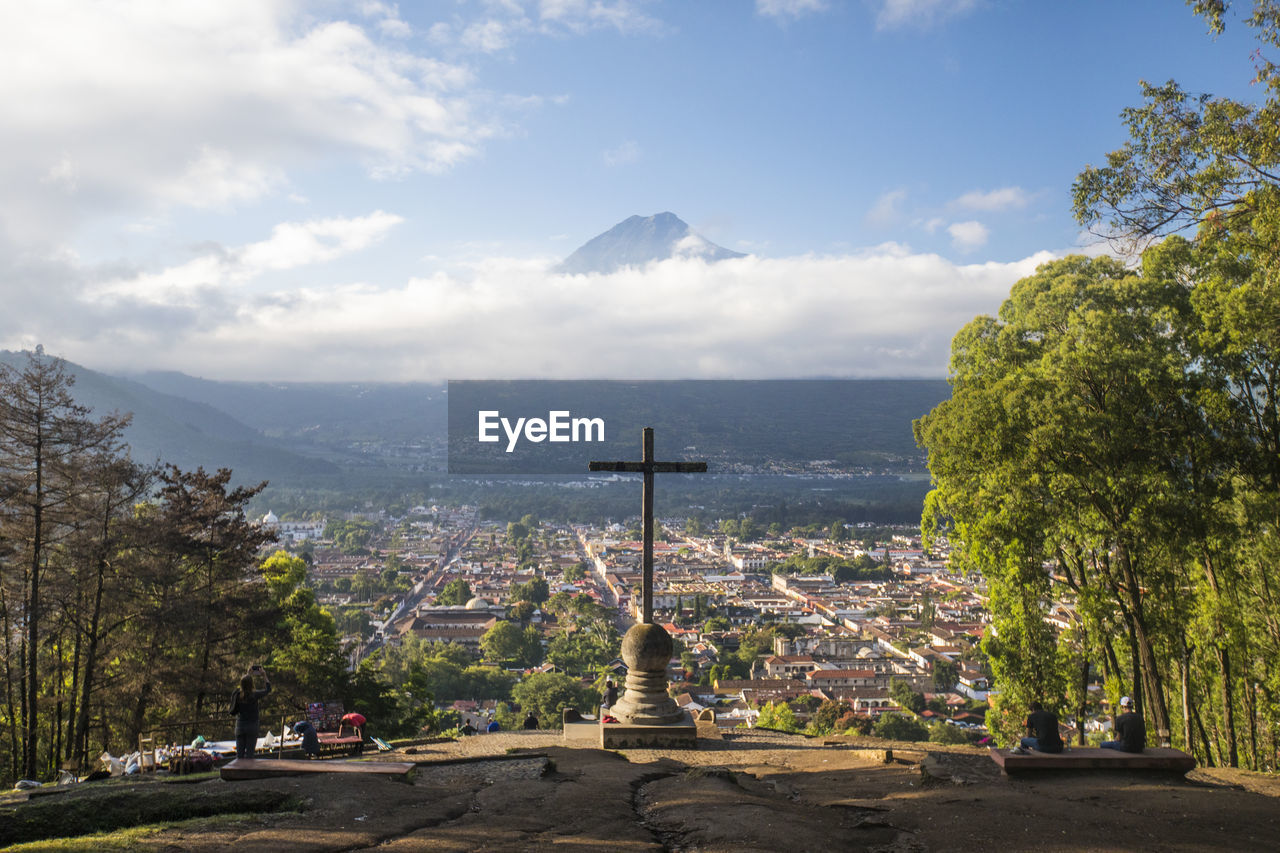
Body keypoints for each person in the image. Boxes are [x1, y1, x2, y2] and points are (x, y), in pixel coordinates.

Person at [229, 665, 271, 759]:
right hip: (252, 726)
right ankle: (248, 771)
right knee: (250, 754)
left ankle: (238, 772)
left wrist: (248, 674)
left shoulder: (237, 694)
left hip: (240, 726)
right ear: (252, 684)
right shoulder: (254, 695)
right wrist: (264, 675)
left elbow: (244, 683)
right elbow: (268, 690)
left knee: (239, 755)